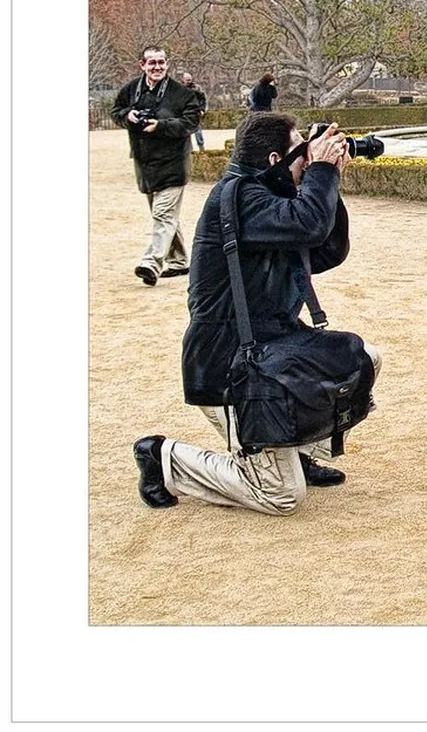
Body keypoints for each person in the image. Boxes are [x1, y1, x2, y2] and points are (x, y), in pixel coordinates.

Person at [132, 113, 384, 515]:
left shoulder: (271, 196)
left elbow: (326, 249)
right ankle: (164, 459)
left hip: (272, 347)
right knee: (281, 496)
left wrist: (326, 177)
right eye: (300, 149)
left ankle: (296, 449)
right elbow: (309, 225)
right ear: (273, 160)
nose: (308, 154)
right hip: (230, 365)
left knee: (363, 359)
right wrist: (320, 172)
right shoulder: (240, 198)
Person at [110, 45, 202, 286]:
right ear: (142, 65)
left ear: (167, 64)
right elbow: (116, 110)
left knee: (163, 214)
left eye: (161, 62)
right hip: (145, 165)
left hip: (174, 165)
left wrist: (160, 126)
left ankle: (151, 263)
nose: (157, 67)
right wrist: (127, 116)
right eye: (152, 63)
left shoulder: (182, 94)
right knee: (164, 216)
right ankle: (180, 261)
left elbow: (190, 122)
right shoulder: (131, 90)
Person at [181, 72, 207, 149]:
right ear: (183, 80)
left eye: (190, 80)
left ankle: (201, 146)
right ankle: (189, 148)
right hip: (184, 112)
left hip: (195, 111)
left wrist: (202, 109)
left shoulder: (197, 89)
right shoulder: (180, 89)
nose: (189, 81)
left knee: (198, 130)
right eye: (187, 80)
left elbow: (203, 100)